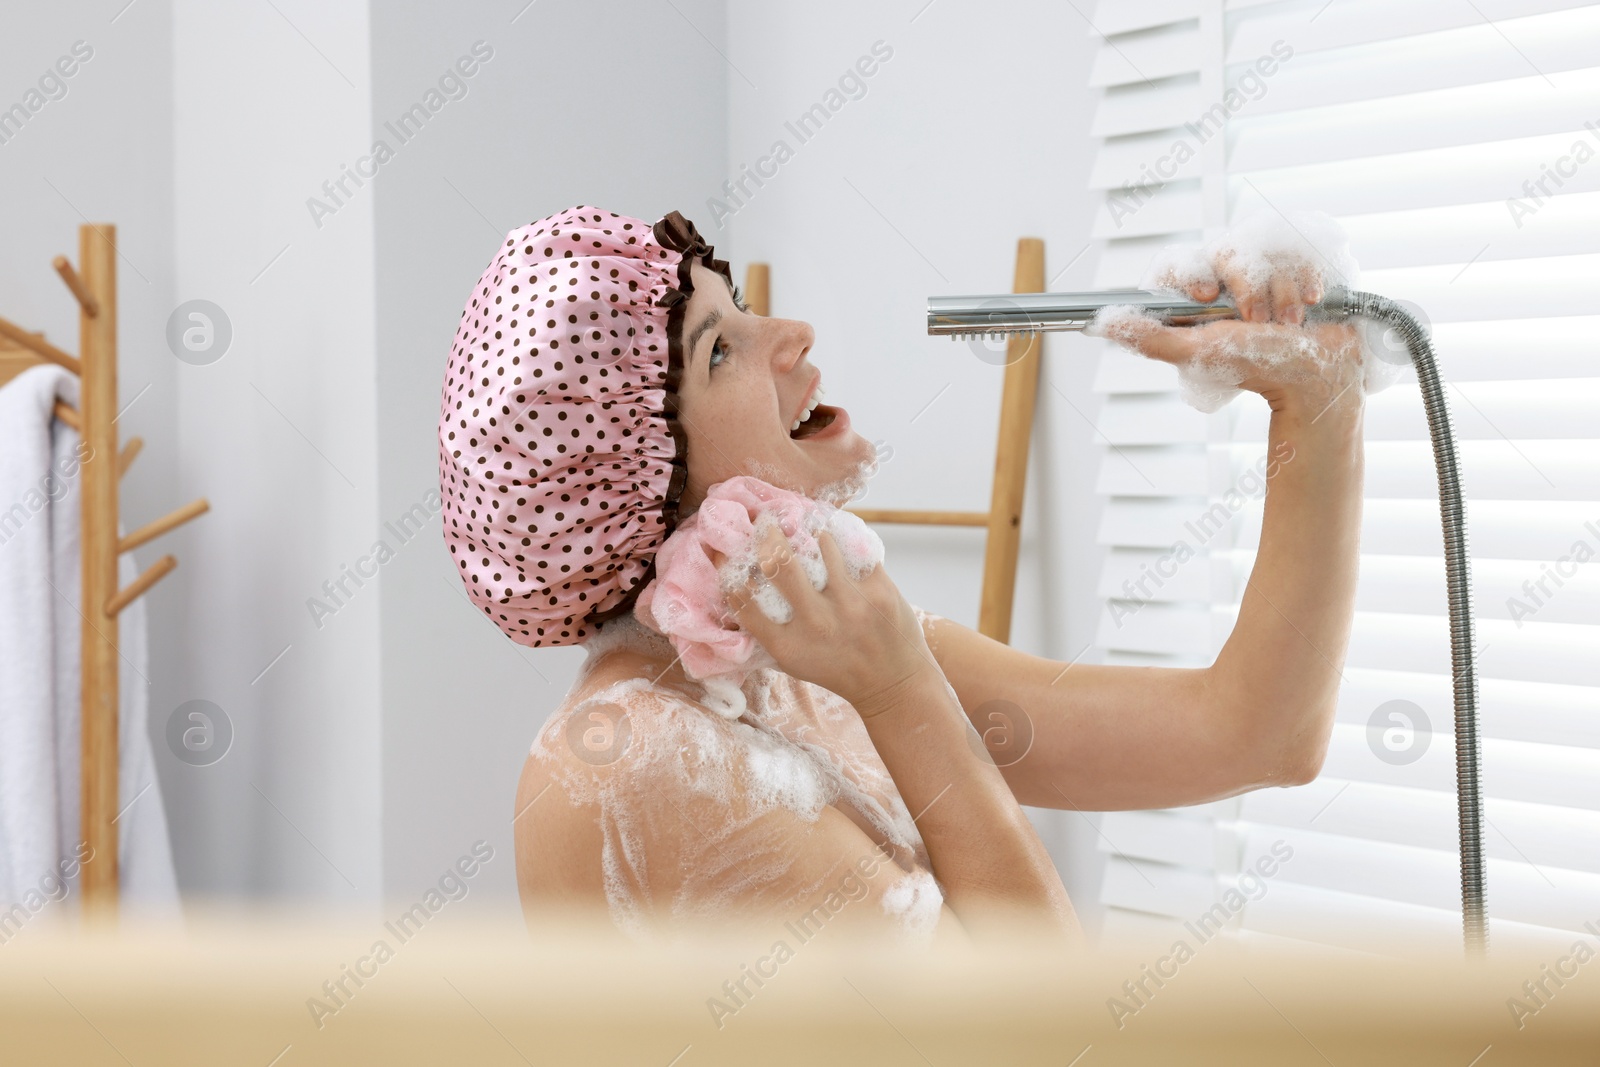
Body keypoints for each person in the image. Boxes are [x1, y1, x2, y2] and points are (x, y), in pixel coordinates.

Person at [437, 205, 1366, 946]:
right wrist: (903, 690)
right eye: (719, 349)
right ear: (634, 481)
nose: (791, 333)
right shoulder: (637, 758)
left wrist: (1316, 404)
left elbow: (1255, 732)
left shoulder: (800, 665)